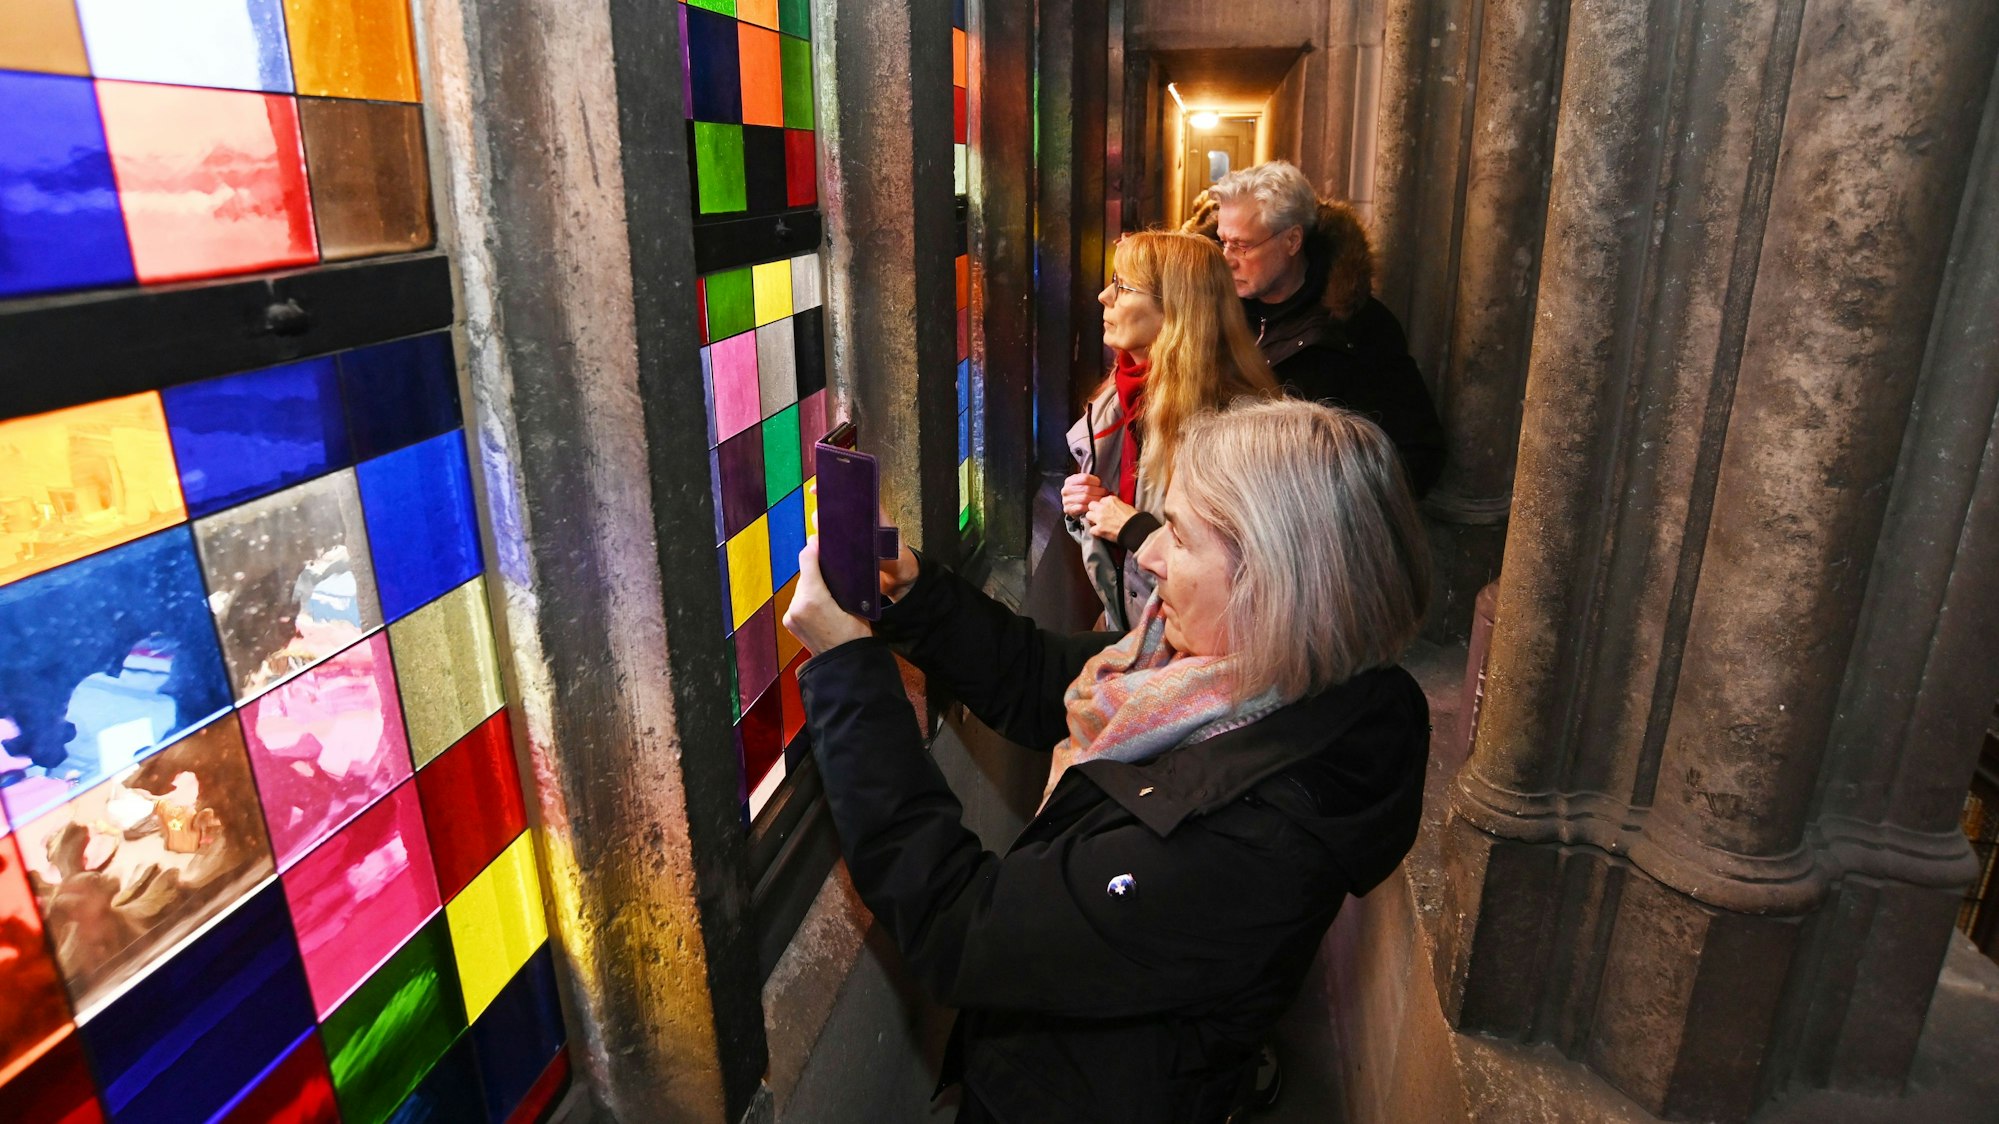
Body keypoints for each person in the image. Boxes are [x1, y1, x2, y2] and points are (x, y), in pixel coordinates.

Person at [783, 399, 1434, 1124]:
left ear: (1274, 583)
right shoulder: (1240, 679)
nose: (1148, 553)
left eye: (1180, 539)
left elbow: (961, 927)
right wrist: (912, 591)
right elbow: (1042, 680)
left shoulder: (1247, 840)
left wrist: (847, 671)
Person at [1062, 231, 1278, 630]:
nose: (1104, 297)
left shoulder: (1236, 426)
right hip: (1128, 628)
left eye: (1122, 286)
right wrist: (1088, 507)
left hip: (1195, 646)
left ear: (1177, 309)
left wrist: (1135, 529)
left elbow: (1250, 574)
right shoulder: (1116, 399)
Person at [1201, 161, 1446, 497]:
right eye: (1222, 242)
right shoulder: (1212, 311)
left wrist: (1324, 506)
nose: (1227, 259)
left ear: (1292, 240)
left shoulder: (1359, 328)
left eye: (1242, 246)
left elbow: (1416, 454)